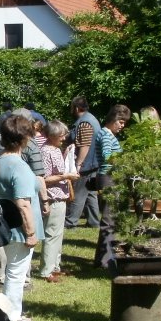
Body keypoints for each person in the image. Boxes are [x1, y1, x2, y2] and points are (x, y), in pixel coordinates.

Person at [0, 114, 45, 321]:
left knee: (10, 271)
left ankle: (3, 311)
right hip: (18, 229)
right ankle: (12, 315)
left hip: (2, 225)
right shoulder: (19, 166)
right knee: (16, 273)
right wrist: (30, 233)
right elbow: (22, 203)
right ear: (25, 138)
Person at [39, 120, 80, 282]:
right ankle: (46, 271)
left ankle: (55, 266)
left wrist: (65, 155)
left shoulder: (55, 149)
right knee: (52, 234)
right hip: (52, 197)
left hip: (60, 197)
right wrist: (66, 176)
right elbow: (45, 178)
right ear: (51, 135)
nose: (64, 138)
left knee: (58, 234)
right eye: (61, 136)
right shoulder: (46, 151)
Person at [93, 104, 132, 268]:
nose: (122, 126)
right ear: (114, 118)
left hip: (108, 177)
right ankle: (104, 260)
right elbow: (107, 156)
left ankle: (103, 258)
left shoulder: (105, 133)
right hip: (109, 177)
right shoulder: (106, 135)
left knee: (111, 219)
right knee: (109, 220)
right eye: (121, 122)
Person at [65, 96, 101, 228]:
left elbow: (85, 146)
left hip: (86, 164)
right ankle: (93, 221)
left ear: (75, 107)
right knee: (90, 193)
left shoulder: (85, 123)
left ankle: (70, 222)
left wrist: (78, 164)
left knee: (79, 192)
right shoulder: (91, 119)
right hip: (93, 163)